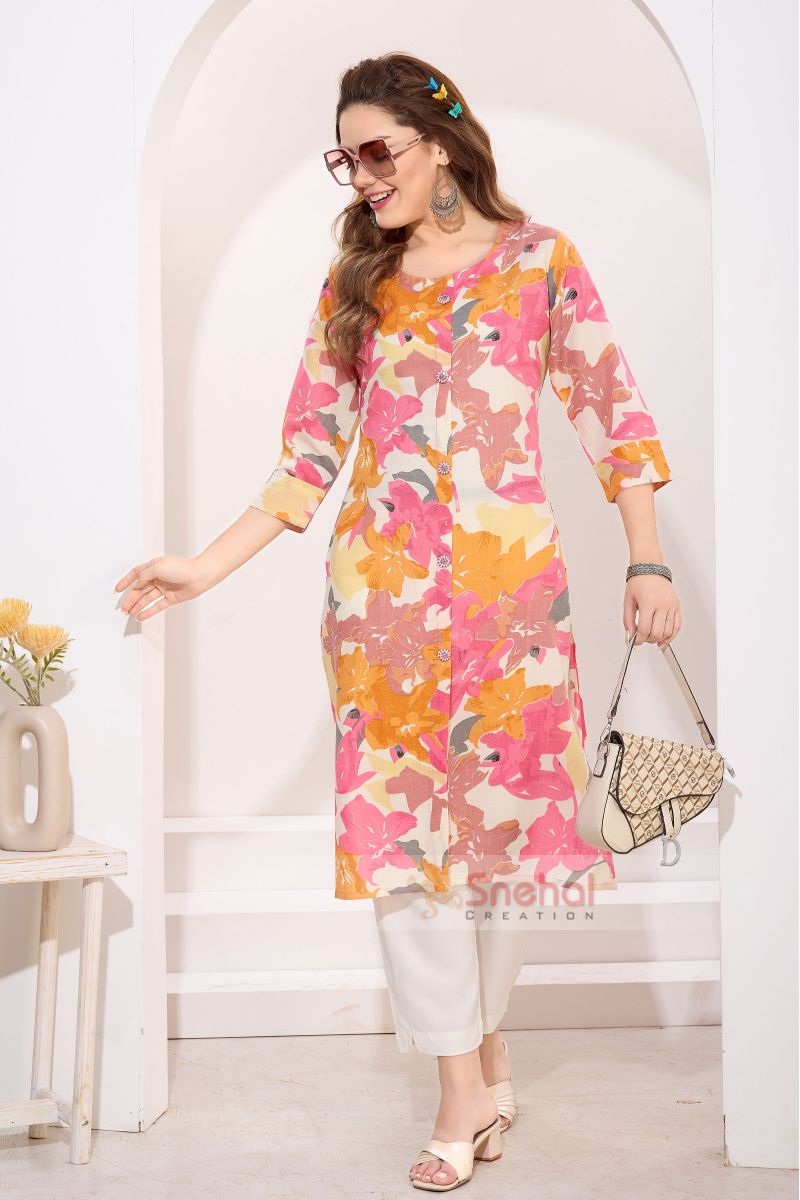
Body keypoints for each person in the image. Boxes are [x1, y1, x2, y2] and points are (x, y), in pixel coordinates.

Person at [114, 52, 680, 1194]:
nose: (362, 175)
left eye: (378, 151)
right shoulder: (358, 280)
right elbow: (306, 453)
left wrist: (647, 557)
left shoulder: (540, 261)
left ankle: (483, 1049)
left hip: (514, 609)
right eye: (347, 158)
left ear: (444, 140)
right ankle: (459, 1091)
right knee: (402, 853)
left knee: (512, 850)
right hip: (378, 611)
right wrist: (201, 570)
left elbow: (611, 411)